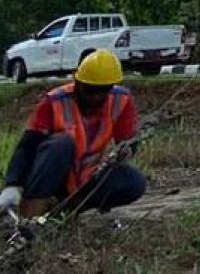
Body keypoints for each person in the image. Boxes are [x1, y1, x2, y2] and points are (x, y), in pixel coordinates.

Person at [0, 50, 145, 219]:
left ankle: (65, 212)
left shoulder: (121, 100)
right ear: (77, 81)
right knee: (61, 144)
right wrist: (13, 184)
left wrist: (127, 150)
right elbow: (27, 146)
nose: (95, 97)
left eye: (102, 91)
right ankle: (32, 215)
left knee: (133, 182)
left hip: (86, 179)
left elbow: (128, 140)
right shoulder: (54, 102)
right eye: (90, 90)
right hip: (52, 178)